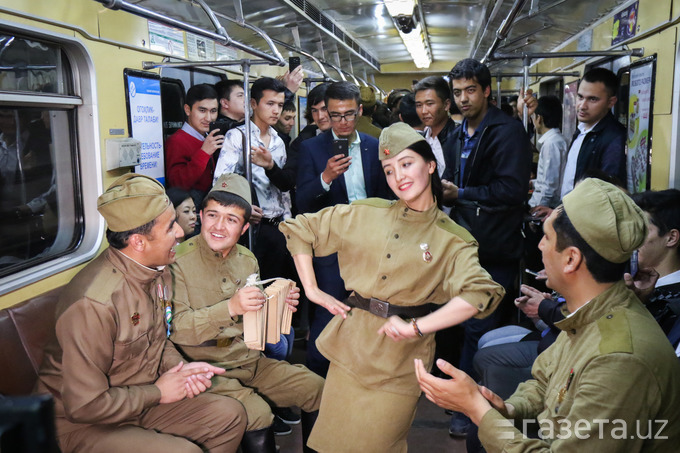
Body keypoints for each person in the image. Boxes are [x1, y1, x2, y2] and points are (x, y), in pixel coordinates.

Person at [281, 123, 504, 452]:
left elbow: (481, 293)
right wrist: (312, 290)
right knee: (330, 445)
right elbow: (300, 228)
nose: (398, 176)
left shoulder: (453, 238)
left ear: (430, 165)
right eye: (388, 169)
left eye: (406, 163)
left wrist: (416, 327)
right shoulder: (367, 213)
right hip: (349, 352)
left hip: (400, 365)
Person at [416, 177, 680, 452]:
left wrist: (478, 410)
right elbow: (546, 382)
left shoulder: (619, 360)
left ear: (571, 259)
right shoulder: (591, 312)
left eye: (547, 237)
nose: (540, 246)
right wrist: (507, 408)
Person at [35, 173, 247, 452]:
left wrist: (180, 371)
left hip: (138, 400)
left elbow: (158, 340)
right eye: (171, 227)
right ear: (138, 242)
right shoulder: (94, 304)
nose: (181, 233)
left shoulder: (158, 272)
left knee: (230, 415)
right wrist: (158, 392)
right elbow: (84, 406)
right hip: (82, 425)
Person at [170, 173, 323, 453]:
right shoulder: (177, 262)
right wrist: (229, 308)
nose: (219, 226)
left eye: (231, 219)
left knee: (317, 389)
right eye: (213, 215)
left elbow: (254, 326)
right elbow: (176, 328)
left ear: (242, 228)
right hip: (206, 367)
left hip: (249, 360)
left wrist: (278, 309)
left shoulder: (247, 260)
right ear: (201, 216)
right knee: (258, 413)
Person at [444, 59, 532, 437]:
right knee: (469, 326)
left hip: (494, 246)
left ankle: (475, 410)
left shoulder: (507, 132)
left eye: (470, 91)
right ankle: (467, 405)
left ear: (486, 91)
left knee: (481, 328)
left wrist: (460, 193)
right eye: (458, 92)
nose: (463, 99)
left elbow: (511, 190)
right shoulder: (458, 134)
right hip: (465, 245)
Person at [295, 81, 391, 377]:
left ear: (359, 111)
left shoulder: (374, 146)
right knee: (328, 312)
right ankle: (319, 381)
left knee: (373, 311)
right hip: (331, 247)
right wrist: (325, 177)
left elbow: (387, 197)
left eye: (349, 114)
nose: (343, 122)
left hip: (371, 245)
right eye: (335, 115)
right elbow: (301, 201)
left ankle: (364, 373)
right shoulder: (311, 148)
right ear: (326, 114)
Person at [214, 77, 294, 283]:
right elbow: (221, 181)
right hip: (253, 227)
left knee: (279, 287)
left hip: (279, 227)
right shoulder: (238, 137)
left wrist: (289, 222)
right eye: (270, 104)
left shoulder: (279, 141)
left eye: (279, 105)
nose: (276, 110)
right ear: (253, 104)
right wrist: (244, 208)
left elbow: (283, 191)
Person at [523, 68, 626, 199]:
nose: (582, 106)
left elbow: (605, 195)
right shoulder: (580, 131)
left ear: (611, 102)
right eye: (580, 97)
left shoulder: (614, 137)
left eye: (592, 99)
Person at [629, 189, 680, 355]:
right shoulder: (632, 284)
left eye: (642, 231)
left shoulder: (674, 303)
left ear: (671, 238)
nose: (631, 239)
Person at [165, 83, 223, 209]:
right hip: (191, 208)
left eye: (213, 111)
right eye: (202, 111)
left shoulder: (210, 137)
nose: (208, 118)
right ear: (187, 110)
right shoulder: (176, 141)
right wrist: (204, 153)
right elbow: (177, 184)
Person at [522, 95, 568, 220]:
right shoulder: (559, 140)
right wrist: (533, 183)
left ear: (539, 118)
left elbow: (549, 185)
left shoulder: (551, 144)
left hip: (545, 208)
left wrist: (536, 211)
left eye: (533, 117)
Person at [414, 76, 457, 180]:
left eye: (430, 104)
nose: (424, 111)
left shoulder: (459, 139)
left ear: (446, 105)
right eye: (419, 105)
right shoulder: (420, 140)